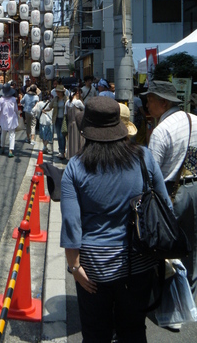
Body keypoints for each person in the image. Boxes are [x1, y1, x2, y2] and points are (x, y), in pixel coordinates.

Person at [61, 96, 171, 342]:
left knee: (95, 333)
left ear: (87, 131)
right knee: (133, 331)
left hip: (93, 267)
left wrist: (74, 267)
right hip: (138, 262)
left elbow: (71, 223)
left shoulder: (76, 167)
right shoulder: (144, 157)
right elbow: (165, 206)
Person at [142, 80, 197, 298]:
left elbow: (150, 173)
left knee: (165, 247)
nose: (147, 104)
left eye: (150, 100)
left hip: (170, 194)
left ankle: (169, 299)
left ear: (163, 103)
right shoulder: (194, 120)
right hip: (194, 188)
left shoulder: (161, 130)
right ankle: (189, 297)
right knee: (192, 246)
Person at [0, 82, 19, 158]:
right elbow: (16, 109)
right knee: (12, 134)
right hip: (12, 118)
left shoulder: (1, 99)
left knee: (3, 133)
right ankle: (10, 150)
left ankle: (2, 147)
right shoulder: (13, 99)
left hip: (3, 119)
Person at [44, 84, 67, 159]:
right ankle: (61, 151)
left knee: (62, 135)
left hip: (64, 119)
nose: (57, 93)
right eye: (57, 91)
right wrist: (44, 110)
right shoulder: (55, 99)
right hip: (56, 119)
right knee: (59, 135)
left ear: (62, 92)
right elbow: (50, 106)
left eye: (59, 91)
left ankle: (62, 151)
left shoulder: (65, 99)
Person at [64, 87, 85, 159]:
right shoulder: (78, 102)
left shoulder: (67, 102)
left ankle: (70, 156)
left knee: (71, 140)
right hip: (77, 124)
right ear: (77, 93)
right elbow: (84, 110)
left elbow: (65, 113)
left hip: (70, 123)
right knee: (78, 140)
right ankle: (78, 156)